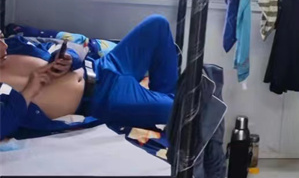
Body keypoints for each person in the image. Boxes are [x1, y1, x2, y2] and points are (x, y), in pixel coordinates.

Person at [0, 14, 179, 140]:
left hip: (104, 66)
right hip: (103, 99)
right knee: (180, 110)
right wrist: (29, 90)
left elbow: (55, 46)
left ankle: (167, 97)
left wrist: (68, 58)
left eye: (1, 37)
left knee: (158, 24)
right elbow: (4, 125)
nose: (4, 45)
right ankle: (168, 102)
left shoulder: (15, 45)